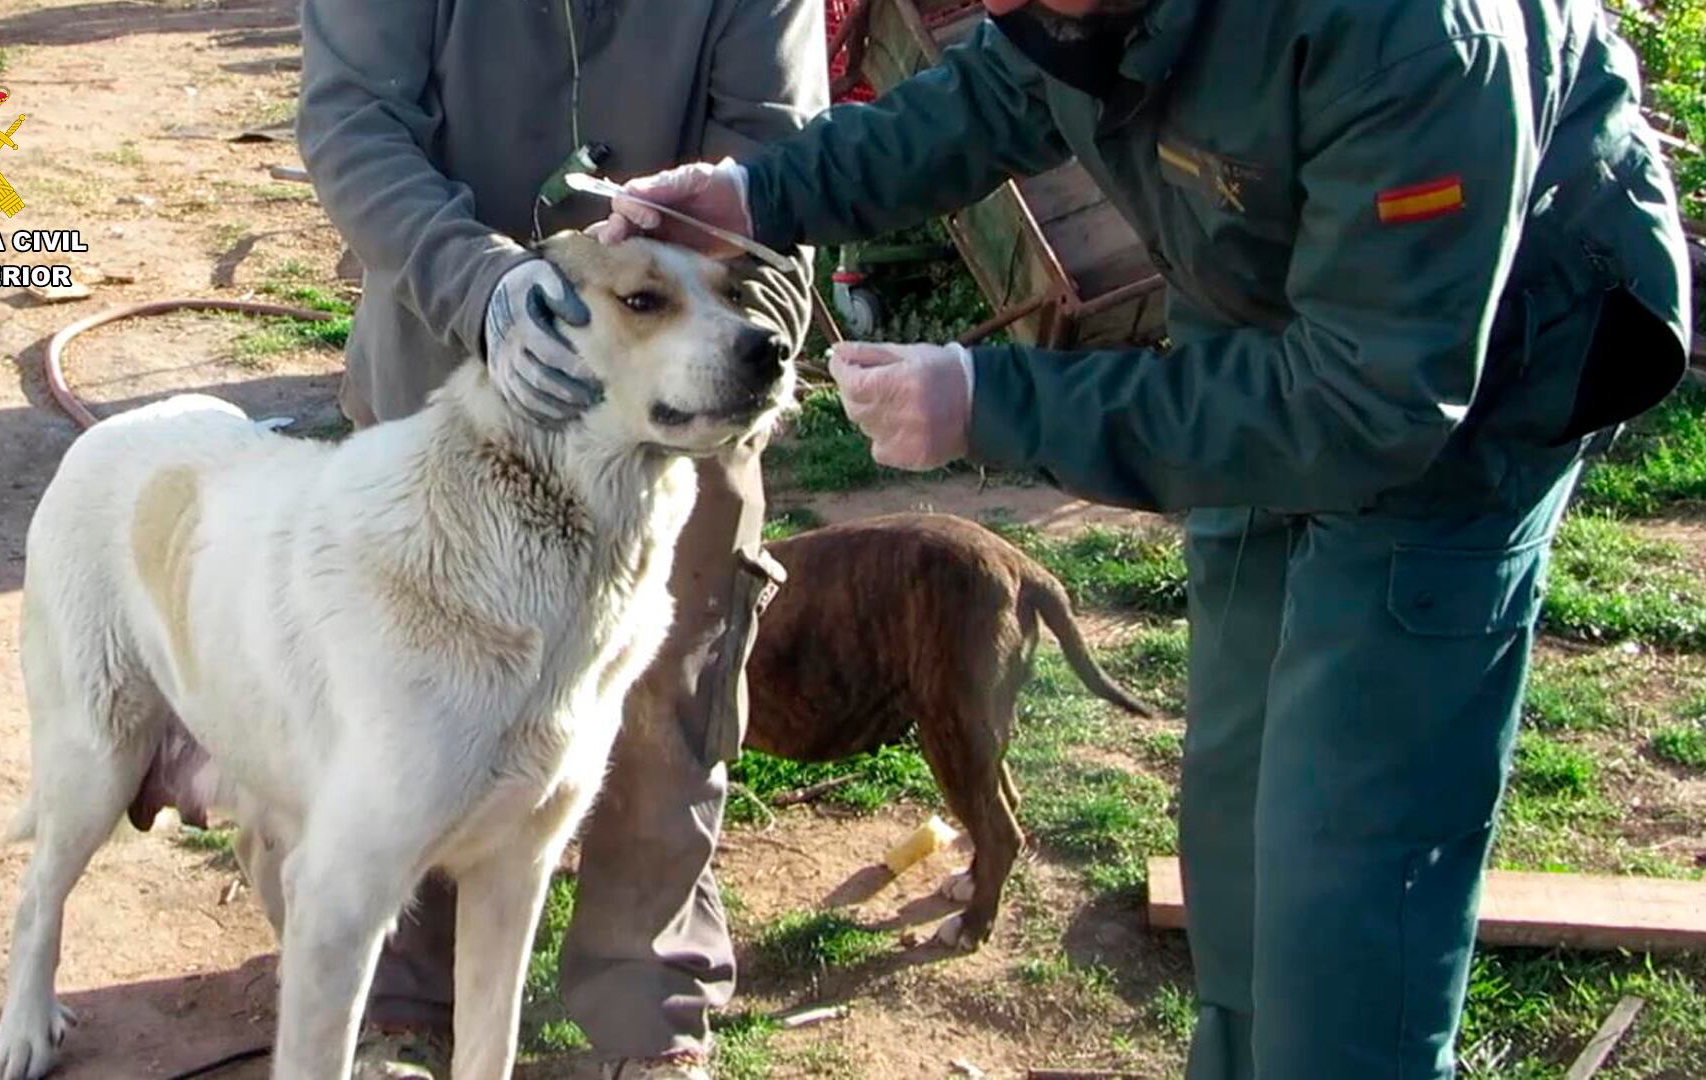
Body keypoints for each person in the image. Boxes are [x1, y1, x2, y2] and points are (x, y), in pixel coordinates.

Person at [592, 0, 1694, 1077]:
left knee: (1349, 884)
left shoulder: (1417, 34)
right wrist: (755, 192)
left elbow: (1370, 403)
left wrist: (995, 402)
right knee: (1235, 833)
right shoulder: (1070, 13)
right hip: (1264, 361)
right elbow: (985, 98)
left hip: (1457, 416)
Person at [294, 3, 825, 1078]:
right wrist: (479, 284)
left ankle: (647, 1013)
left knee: (670, 691)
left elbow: (784, 166)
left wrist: (732, 333)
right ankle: (402, 1004)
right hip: (441, 363)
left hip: (674, 380)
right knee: (403, 703)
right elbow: (353, 118)